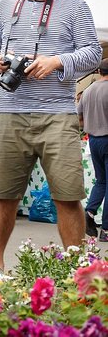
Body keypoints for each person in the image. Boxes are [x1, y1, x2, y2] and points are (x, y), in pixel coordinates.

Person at [0, 0, 102, 272]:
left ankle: (77, 272)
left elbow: (93, 51)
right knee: (2, 193)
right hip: (10, 112)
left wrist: (57, 61)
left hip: (58, 115)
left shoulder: (75, 5)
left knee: (68, 194)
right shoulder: (4, 6)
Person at [79, 58, 108, 241]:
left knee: (101, 181)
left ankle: (89, 212)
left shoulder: (88, 90)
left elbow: (79, 117)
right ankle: (106, 229)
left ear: (99, 71)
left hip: (93, 140)